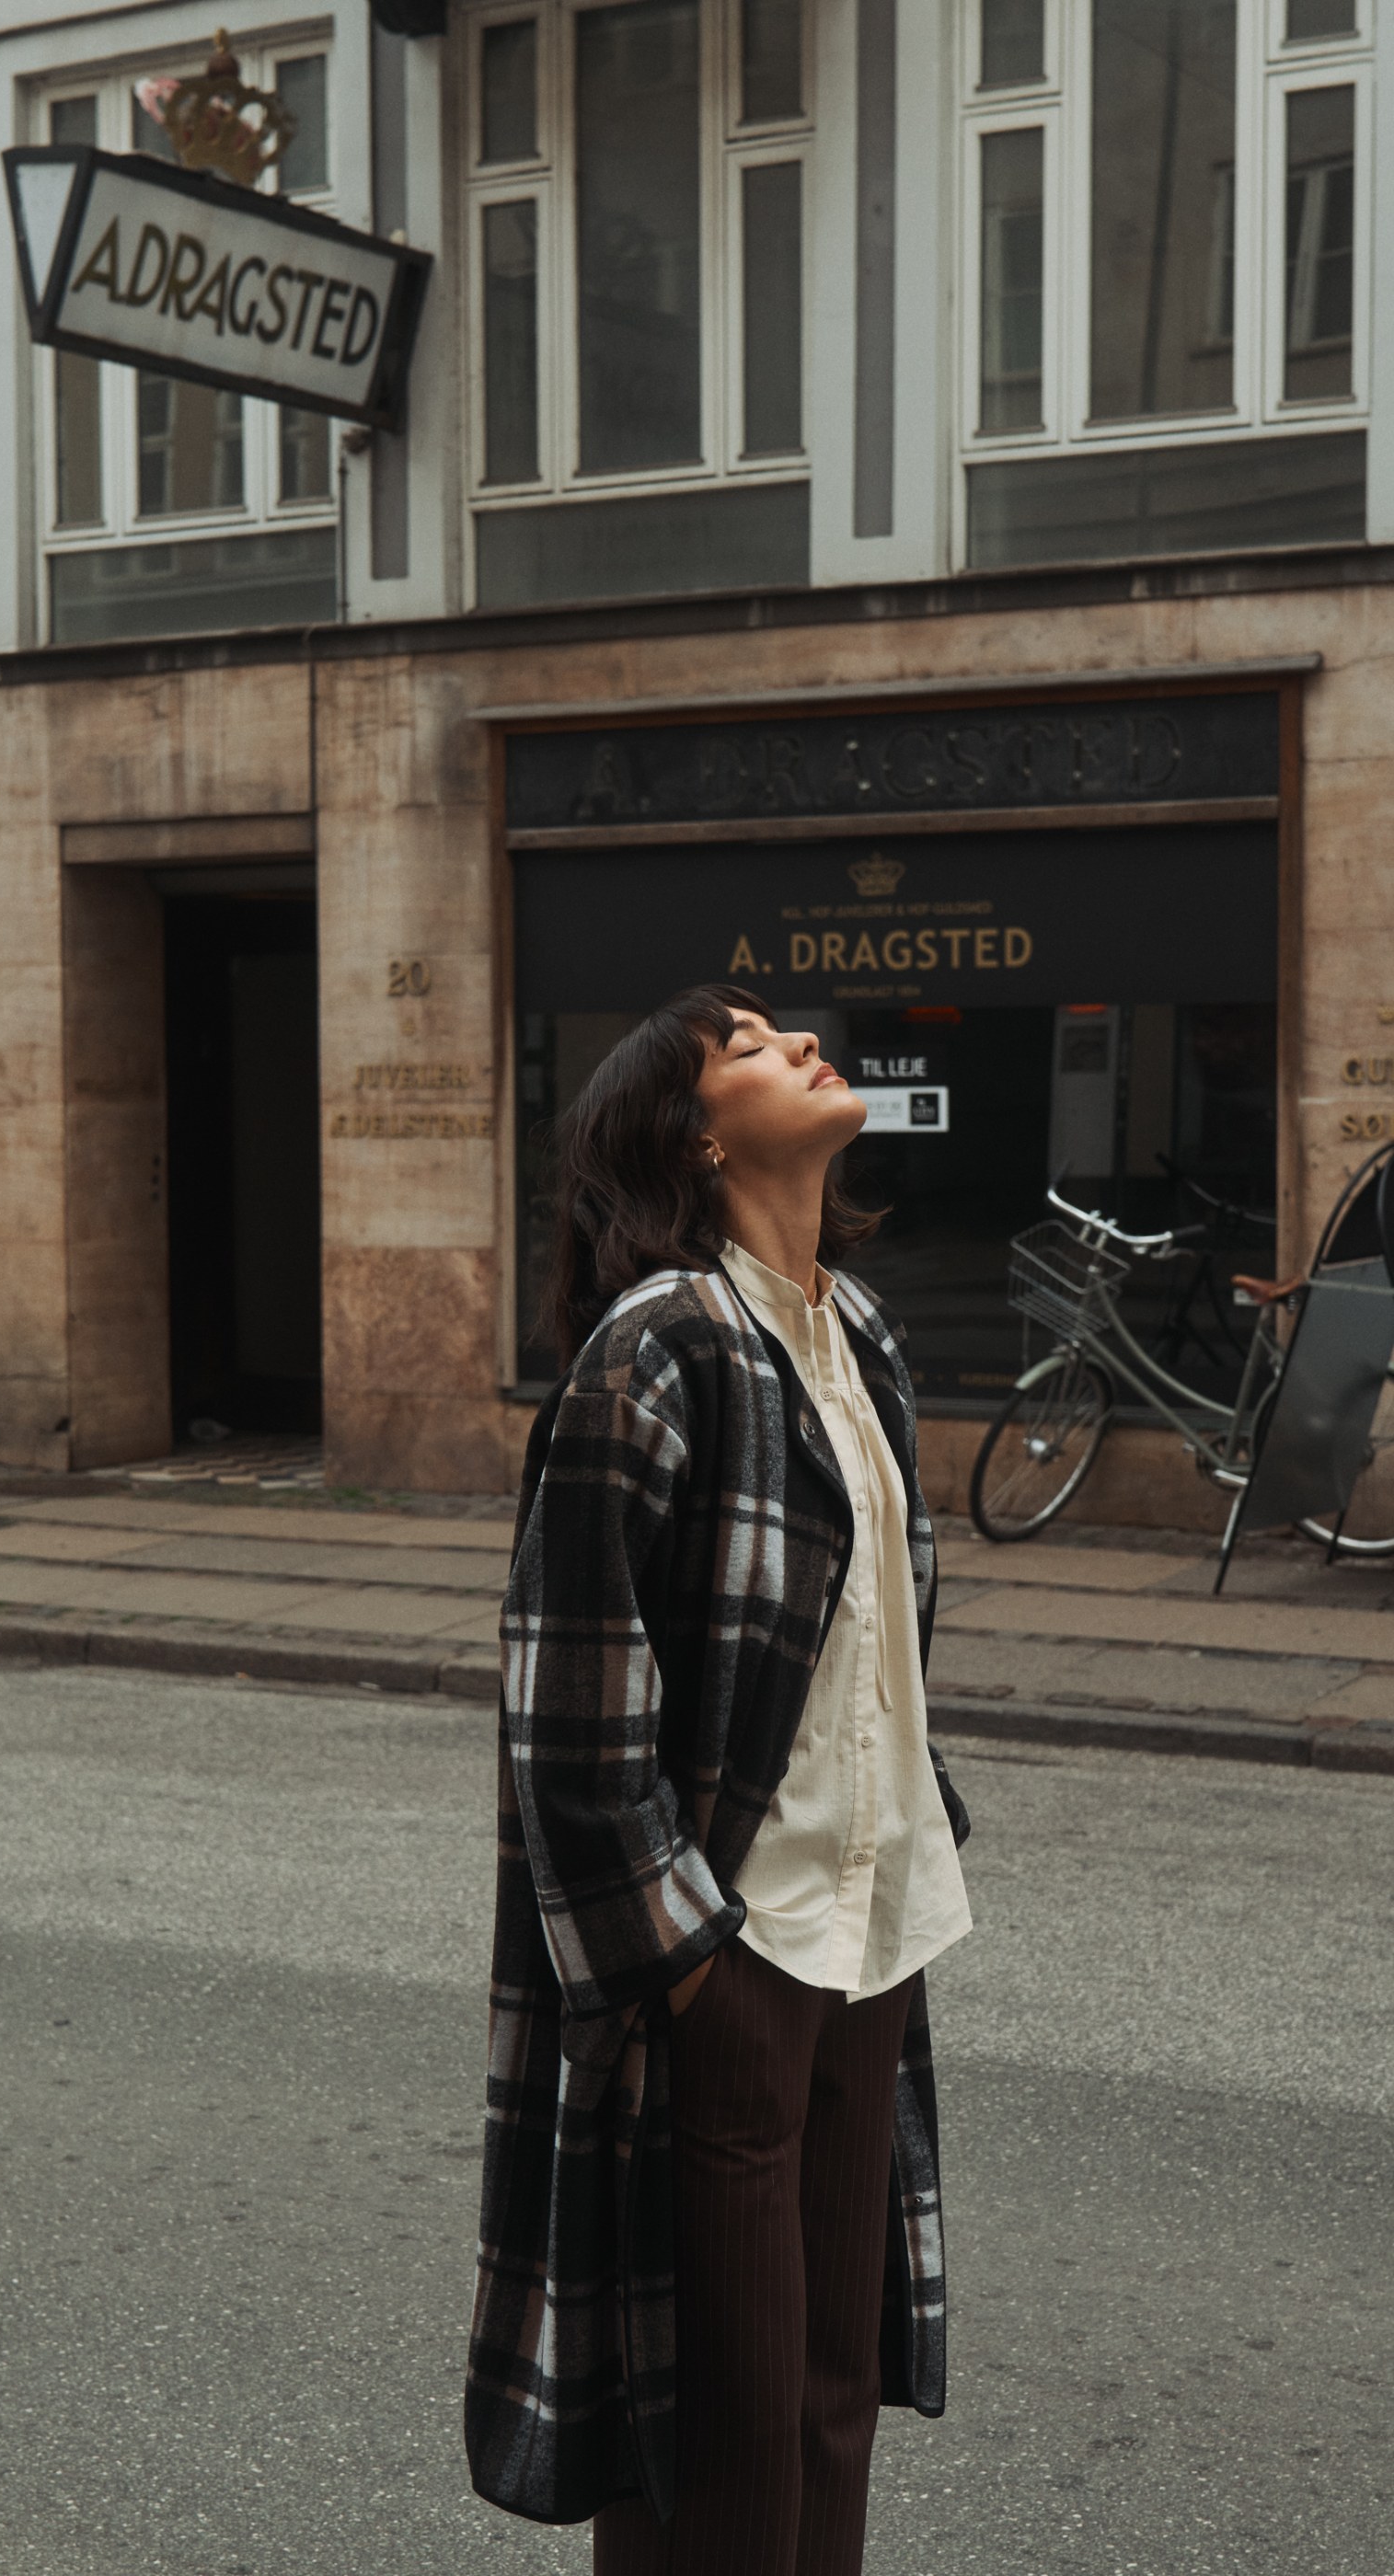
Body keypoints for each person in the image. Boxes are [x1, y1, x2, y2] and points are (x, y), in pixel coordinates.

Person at [465, 983, 972, 2575]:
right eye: (749, 1046)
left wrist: (917, 1828)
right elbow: (567, 1705)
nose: (802, 1043)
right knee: (727, 2421)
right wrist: (687, 1965)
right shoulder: (661, 1348)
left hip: (870, 1928)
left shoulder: (857, 1329)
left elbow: (869, 1639)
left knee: (831, 2396)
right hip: (731, 1948)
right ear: (693, 1133)